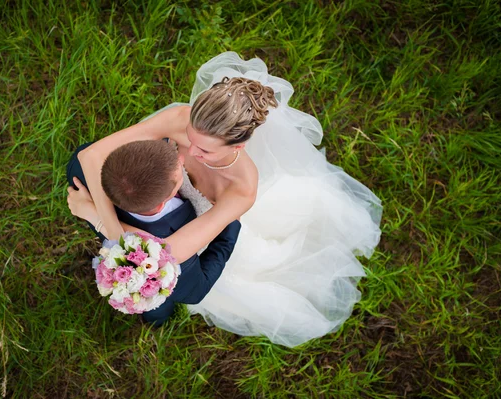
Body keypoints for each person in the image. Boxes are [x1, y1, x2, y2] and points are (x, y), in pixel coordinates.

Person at [69, 52, 382, 347]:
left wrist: (95, 215)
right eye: (190, 139)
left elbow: (168, 255)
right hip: (157, 202)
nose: (190, 153)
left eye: (205, 151)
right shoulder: (181, 118)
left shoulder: (241, 190)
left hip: (193, 234)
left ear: (238, 147)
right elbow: (90, 154)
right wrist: (105, 219)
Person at [67, 140, 241, 326]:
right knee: (154, 304)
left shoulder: (80, 169)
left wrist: (95, 216)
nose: (181, 158)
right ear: (161, 203)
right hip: (148, 280)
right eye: (177, 169)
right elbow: (197, 291)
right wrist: (231, 222)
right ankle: (155, 320)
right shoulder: (182, 267)